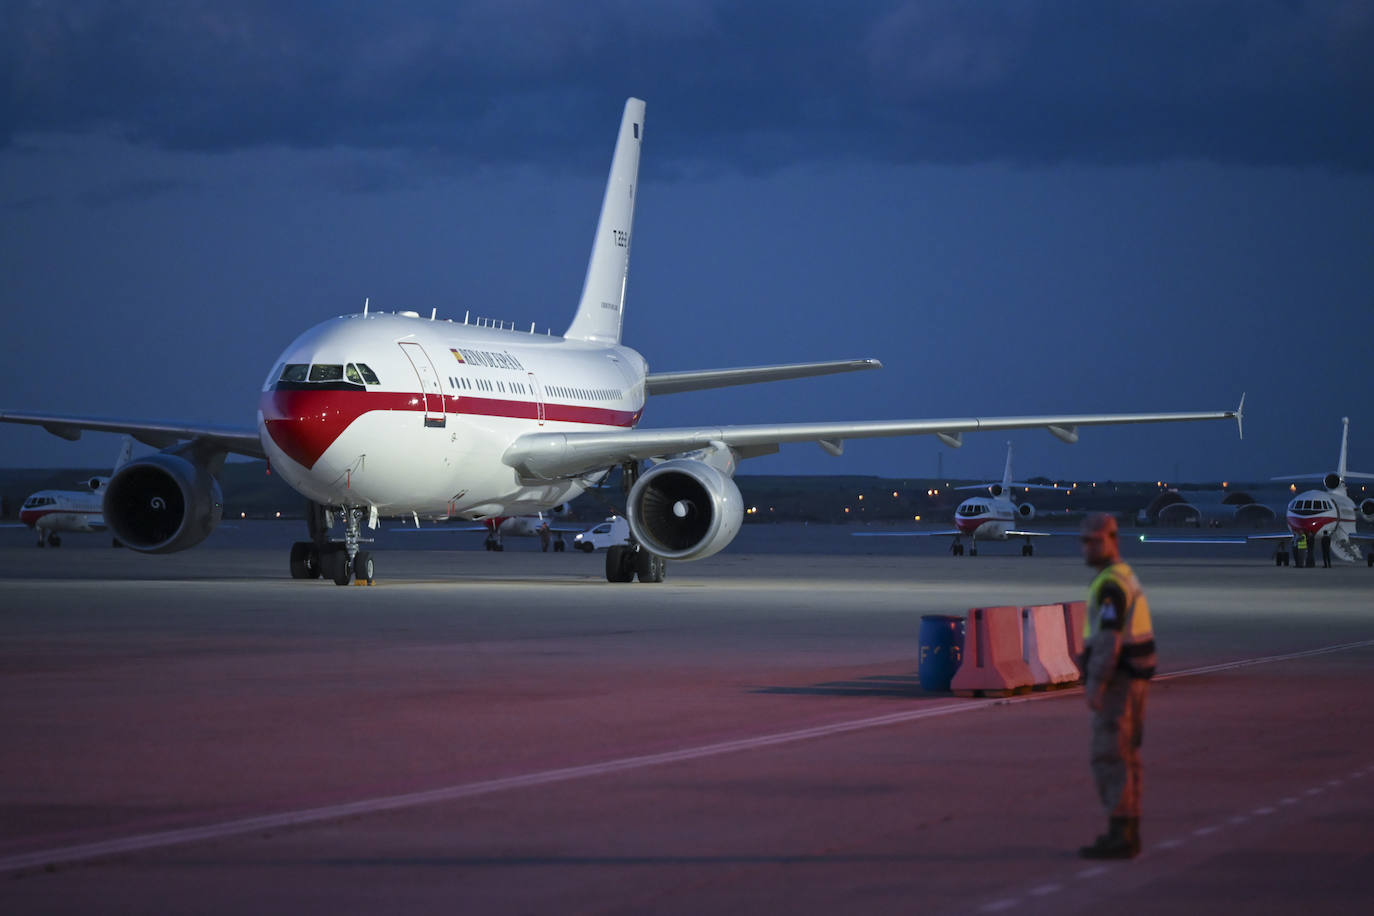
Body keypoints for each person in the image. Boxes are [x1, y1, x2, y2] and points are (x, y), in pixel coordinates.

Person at [1078, 513, 1156, 859]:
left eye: (1093, 541)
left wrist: (1096, 683)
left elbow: (1109, 640)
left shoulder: (1111, 585)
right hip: (1134, 679)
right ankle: (1129, 830)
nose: (1087, 548)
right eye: (1085, 541)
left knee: (1110, 756)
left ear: (1112, 540)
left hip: (1120, 683)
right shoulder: (1121, 577)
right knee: (1127, 756)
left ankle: (1120, 833)